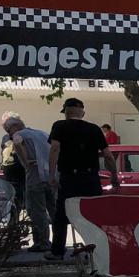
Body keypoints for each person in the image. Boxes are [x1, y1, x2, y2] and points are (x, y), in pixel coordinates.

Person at [47, 97, 120, 260]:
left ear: (66, 112)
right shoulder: (94, 129)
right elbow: (108, 155)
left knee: (61, 215)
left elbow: (54, 149)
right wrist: (114, 176)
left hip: (69, 177)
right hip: (90, 177)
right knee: (94, 214)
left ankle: (57, 252)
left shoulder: (59, 126)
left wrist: (51, 175)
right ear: (83, 113)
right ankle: (97, 251)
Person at [3, 113, 54, 252]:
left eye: (8, 130)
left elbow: (17, 141)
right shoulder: (41, 133)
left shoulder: (19, 134)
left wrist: (25, 162)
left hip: (35, 178)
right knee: (54, 211)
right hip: (50, 177)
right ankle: (58, 242)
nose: (9, 134)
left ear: (14, 127)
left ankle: (42, 243)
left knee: (37, 212)